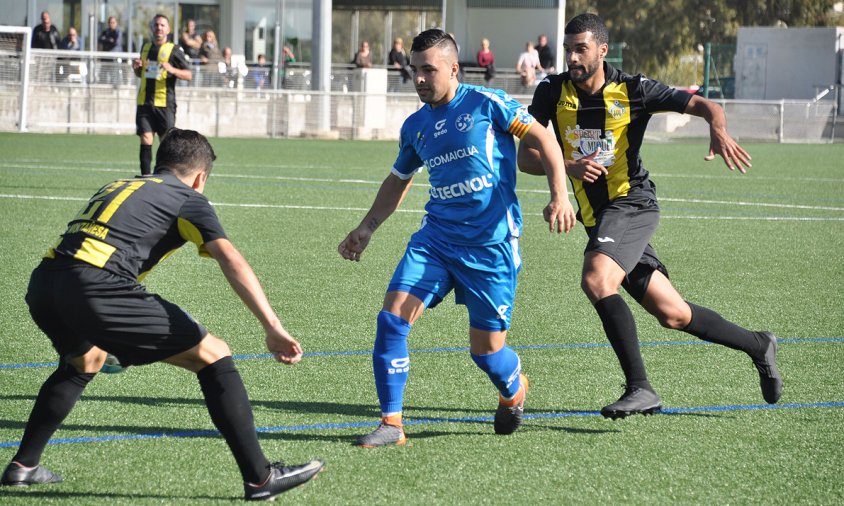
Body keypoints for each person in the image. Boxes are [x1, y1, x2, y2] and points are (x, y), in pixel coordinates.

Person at [0, 129, 324, 499]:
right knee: (214, 353)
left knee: (84, 361)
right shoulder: (189, 198)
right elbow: (230, 259)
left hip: (44, 284)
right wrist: (273, 326)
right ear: (201, 177)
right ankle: (261, 478)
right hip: (95, 286)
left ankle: (23, 466)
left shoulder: (120, 184)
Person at [517, 13, 782, 419]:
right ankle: (758, 344)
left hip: (631, 203)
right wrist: (568, 168)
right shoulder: (552, 91)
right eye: (568, 48)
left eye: (580, 49)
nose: (571, 56)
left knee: (596, 278)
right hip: (599, 217)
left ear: (602, 50)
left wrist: (718, 126)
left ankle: (640, 388)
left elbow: (705, 105)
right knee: (673, 314)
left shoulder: (634, 89)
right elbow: (526, 156)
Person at [338, 29, 575, 447]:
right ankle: (391, 424)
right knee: (391, 321)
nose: (420, 79)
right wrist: (366, 227)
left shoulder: (487, 103)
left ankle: (514, 387)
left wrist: (560, 195)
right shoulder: (415, 126)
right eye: (415, 71)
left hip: (491, 246)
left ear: (453, 68)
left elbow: (544, 138)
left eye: (429, 70)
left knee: (485, 354)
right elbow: (399, 179)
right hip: (436, 241)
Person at [132, 14, 192, 176]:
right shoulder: (145, 48)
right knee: (145, 138)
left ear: (168, 29)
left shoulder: (174, 50)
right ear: (152, 28)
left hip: (165, 103)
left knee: (166, 143)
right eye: (156, 25)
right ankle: (145, 177)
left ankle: (164, 178)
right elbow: (141, 74)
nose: (159, 28)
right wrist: (136, 68)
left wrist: (172, 69)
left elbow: (188, 74)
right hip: (144, 101)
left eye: (163, 25)